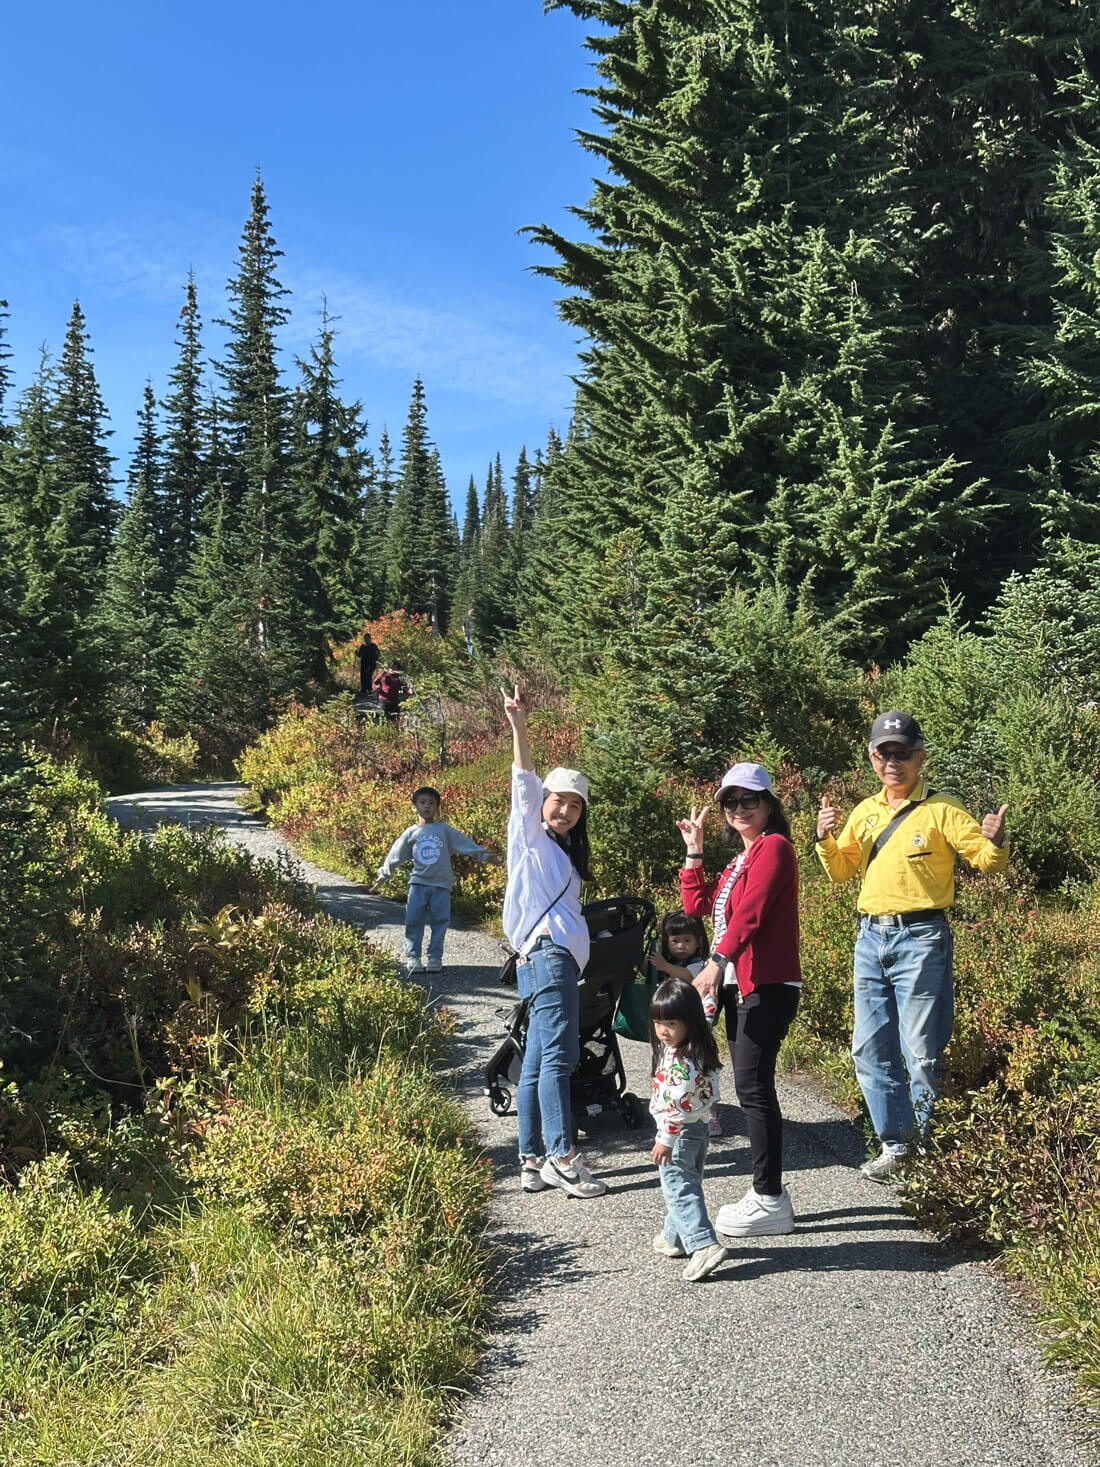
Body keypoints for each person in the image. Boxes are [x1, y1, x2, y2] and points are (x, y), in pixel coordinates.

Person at [815, 710, 1010, 1181]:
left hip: (922, 938)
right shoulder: (864, 812)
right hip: (870, 937)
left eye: (902, 752)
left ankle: (931, 1151)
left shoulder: (942, 809)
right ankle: (897, 1145)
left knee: (921, 1050)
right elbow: (841, 870)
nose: (893, 761)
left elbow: (986, 862)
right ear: (872, 757)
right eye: (884, 753)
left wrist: (996, 840)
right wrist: (823, 838)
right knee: (868, 1048)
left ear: (920, 756)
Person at [679, 762, 801, 1237]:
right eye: (730, 802)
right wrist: (694, 852)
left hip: (766, 985)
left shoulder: (775, 848)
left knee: (753, 1089)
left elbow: (750, 915)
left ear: (769, 804)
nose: (739, 809)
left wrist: (716, 961)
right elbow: (696, 907)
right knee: (752, 1086)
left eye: (749, 799)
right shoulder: (740, 860)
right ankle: (770, 1197)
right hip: (742, 988)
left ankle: (769, 1198)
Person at [501, 683, 607, 1199]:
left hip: (542, 958)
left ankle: (532, 1159)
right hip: (548, 957)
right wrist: (520, 727)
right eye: (557, 802)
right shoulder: (530, 836)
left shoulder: (561, 855)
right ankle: (564, 1157)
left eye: (574, 806)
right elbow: (523, 784)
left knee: (539, 1061)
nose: (563, 811)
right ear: (544, 803)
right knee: (560, 1058)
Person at [649, 977, 729, 1281]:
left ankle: (703, 1244)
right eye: (658, 1023)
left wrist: (665, 1139)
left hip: (678, 1134)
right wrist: (708, 994)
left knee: (678, 1189)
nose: (663, 1031)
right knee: (686, 1185)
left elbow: (675, 1103)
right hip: (698, 1130)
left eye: (670, 1023)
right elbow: (708, 1010)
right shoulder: (698, 1043)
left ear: (688, 1022)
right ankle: (675, 1238)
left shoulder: (682, 1064)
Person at [371, 785, 499, 974]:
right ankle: (413, 956)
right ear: (415, 806)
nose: (427, 806)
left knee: (440, 921)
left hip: (441, 885)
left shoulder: (444, 830)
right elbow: (395, 855)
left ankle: (435, 957)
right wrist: (384, 875)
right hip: (418, 884)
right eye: (422, 802)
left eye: (431, 803)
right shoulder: (411, 833)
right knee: (414, 920)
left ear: (437, 807)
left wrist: (485, 856)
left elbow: (465, 844)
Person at [648, 912, 721, 1135]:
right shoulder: (670, 962)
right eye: (675, 941)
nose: (681, 946)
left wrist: (663, 966)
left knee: (704, 1070)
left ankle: (712, 1113)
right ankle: (672, 1108)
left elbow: (688, 976)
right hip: (674, 1029)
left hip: (698, 1027)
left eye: (687, 940)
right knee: (672, 1069)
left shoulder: (700, 964)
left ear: (699, 941)